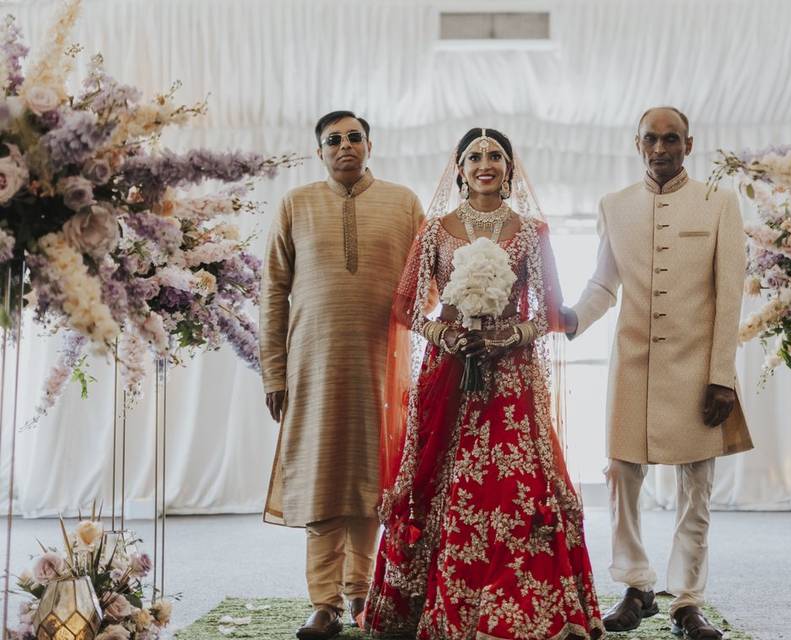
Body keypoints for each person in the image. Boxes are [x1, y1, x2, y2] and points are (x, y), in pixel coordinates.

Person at [364, 128, 604, 639]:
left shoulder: (531, 231)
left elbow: (550, 313)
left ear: (510, 167)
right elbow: (406, 307)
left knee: (515, 483)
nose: (485, 163)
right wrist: (445, 336)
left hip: (511, 377)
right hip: (448, 374)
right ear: (458, 168)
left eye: (495, 155)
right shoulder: (435, 230)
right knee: (442, 480)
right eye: (474, 156)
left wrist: (509, 335)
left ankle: (525, 605)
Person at [562, 107, 753, 639]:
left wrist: (722, 375)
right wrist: (572, 317)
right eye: (651, 138)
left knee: (696, 485)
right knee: (622, 476)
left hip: (698, 366)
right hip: (633, 365)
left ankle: (687, 601)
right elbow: (603, 285)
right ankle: (637, 585)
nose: (661, 147)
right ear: (637, 143)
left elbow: (730, 296)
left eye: (672, 139)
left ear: (689, 145)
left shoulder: (720, 203)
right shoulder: (614, 206)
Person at [259, 110, 425, 640]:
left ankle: (363, 592)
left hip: (384, 364)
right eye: (334, 140)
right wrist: (273, 374)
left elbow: (428, 284)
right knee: (322, 475)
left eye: (355, 137)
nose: (345, 146)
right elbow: (272, 293)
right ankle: (323, 602)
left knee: (373, 478)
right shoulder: (296, 204)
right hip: (313, 365)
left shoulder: (404, 203)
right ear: (320, 152)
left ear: (370, 145)